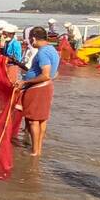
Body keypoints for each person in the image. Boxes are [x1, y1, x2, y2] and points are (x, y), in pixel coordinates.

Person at [19, 26, 60, 157]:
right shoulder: (52, 49)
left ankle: (35, 151)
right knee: (42, 119)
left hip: (38, 88)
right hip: (46, 87)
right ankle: (38, 149)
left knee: (33, 120)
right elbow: (54, 73)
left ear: (34, 38)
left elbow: (46, 74)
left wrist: (25, 82)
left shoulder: (42, 52)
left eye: (30, 39)